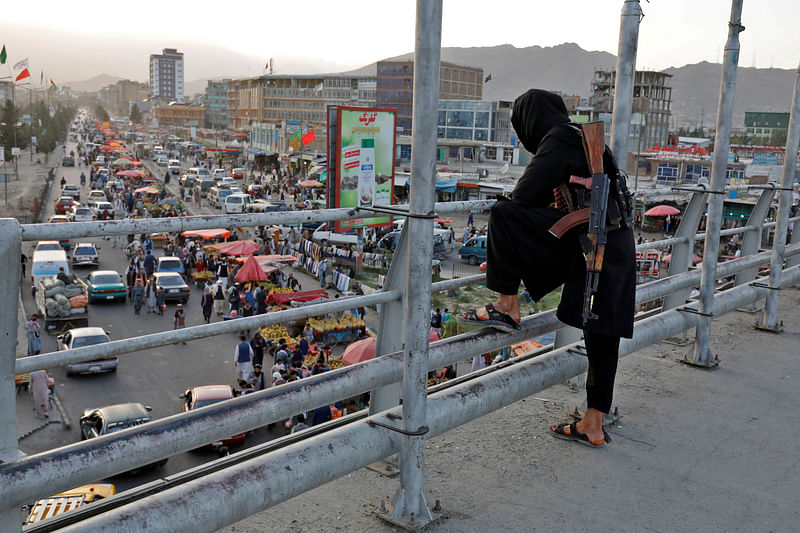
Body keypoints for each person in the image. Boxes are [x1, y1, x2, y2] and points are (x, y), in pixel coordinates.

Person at [459, 89, 635, 448]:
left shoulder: (557, 139)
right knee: (602, 335)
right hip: (616, 245)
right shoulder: (588, 139)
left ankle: (507, 303)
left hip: (590, 244)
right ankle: (594, 424)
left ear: (529, 123)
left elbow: (523, 198)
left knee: (503, 215)